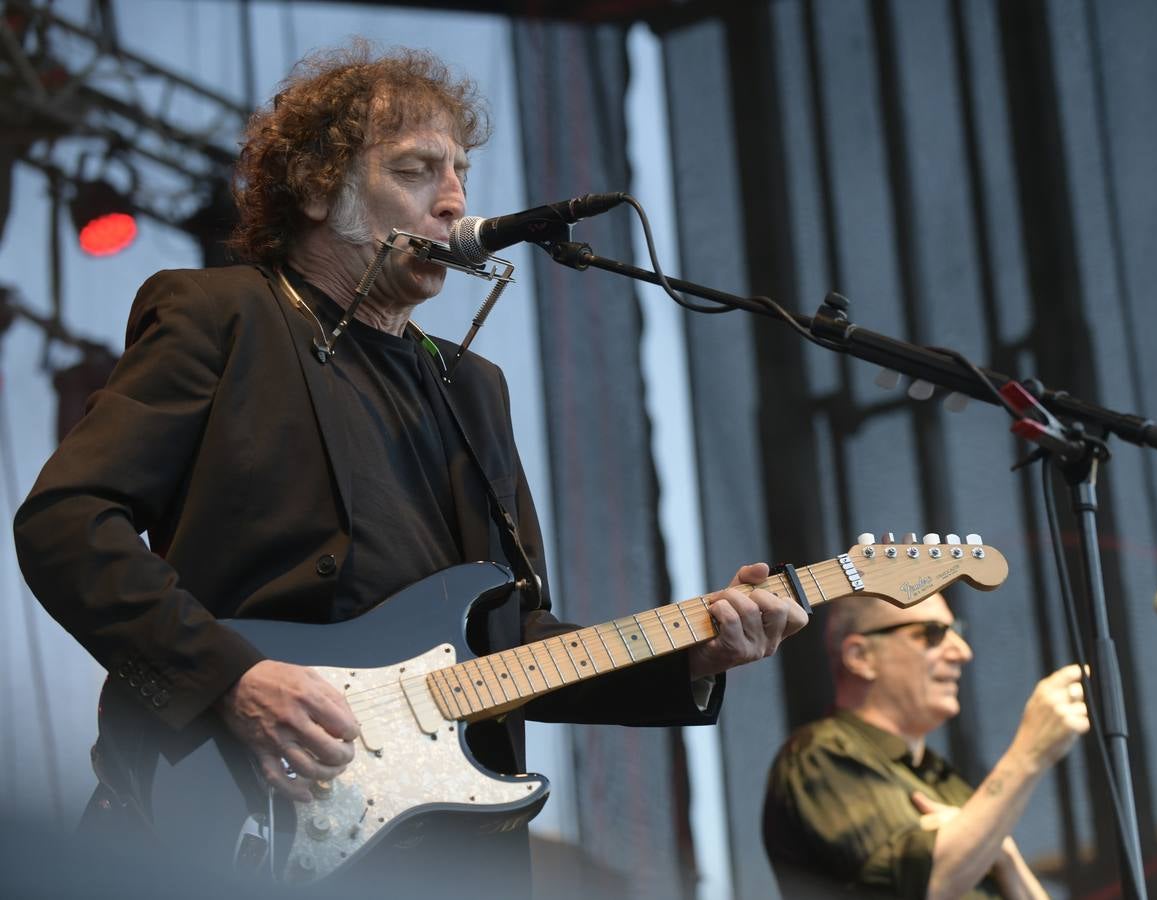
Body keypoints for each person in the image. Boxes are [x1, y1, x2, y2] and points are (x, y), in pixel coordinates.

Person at [13, 41, 806, 893]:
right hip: (235, 811)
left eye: (461, 170)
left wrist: (692, 652)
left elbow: (506, 645)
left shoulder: (473, 389)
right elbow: (66, 522)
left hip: (442, 851)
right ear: (319, 187)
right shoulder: (221, 314)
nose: (456, 200)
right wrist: (230, 676)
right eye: (418, 170)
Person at [762, 592, 1088, 899]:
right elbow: (926, 886)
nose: (962, 651)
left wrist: (1007, 858)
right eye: (933, 634)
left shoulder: (943, 779)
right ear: (861, 656)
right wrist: (1029, 754)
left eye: (955, 630)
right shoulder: (821, 755)